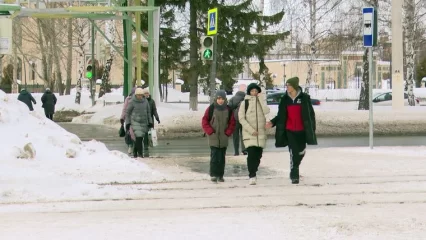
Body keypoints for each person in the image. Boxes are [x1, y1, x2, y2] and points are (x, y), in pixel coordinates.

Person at [266, 77, 317, 184]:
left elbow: (310, 115)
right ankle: (294, 175)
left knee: (301, 152)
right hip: (289, 131)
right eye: (287, 85)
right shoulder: (285, 99)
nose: (287, 87)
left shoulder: (304, 98)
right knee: (293, 152)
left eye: (289, 85)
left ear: (294, 86)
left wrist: (312, 128)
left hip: (302, 130)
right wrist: (272, 122)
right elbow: (281, 115)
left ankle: (295, 165)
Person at [239, 83, 270, 185]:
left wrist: (261, 100)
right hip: (250, 134)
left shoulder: (261, 102)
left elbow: (267, 111)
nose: (254, 93)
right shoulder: (245, 103)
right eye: (252, 91)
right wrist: (251, 130)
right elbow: (241, 118)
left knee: (258, 155)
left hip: (261, 133)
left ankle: (254, 171)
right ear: (249, 92)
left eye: (256, 91)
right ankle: (252, 175)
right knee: (251, 155)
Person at [202, 90, 236, 183]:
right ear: (216, 99)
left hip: (224, 138)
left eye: (222, 99)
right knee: (214, 157)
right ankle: (213, 174)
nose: (220, 100)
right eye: (219, 99)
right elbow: (205, 121)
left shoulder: (228, 110)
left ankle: (220, 175)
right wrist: (210, 131)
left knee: (221, 158)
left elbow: (232, 123)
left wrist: (227, 133)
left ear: (225, 99)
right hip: (213, 137)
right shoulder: (211, 109)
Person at [125, 87, 153, 158]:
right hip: (135, 122)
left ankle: (135, 152)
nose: (140, 96)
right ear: (136, 95)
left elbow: (148, 112)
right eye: (138, 95)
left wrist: (150, 122)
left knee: (140, 138)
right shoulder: (132, 101)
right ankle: (140, 154)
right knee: (139, 137)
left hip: (144, 122)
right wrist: (127, 123)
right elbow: (127, 112)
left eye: (141, 95)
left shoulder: (145, 101)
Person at [228, 85, 246, 156]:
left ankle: (236, 151)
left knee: (235, 136)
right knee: (244, 135)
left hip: (234, 119)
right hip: (244, 119)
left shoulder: (232, 98)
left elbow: (229, 109)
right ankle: (244, 150)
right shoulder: (246, 99)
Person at [143, 88, 160, 157]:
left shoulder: (152, 101)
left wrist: (157, 118)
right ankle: (146, 146)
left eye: (147, 93)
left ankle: (150, 144)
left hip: (150, 121)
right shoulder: (142, 101)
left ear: (149, 94)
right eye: (145, 93)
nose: (146, 94)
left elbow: (154, 110)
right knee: (145, 134)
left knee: (150, 134)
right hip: (144, 120)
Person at [121, 87, 136, 155]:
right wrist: (122, 117)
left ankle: (135, 147)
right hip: (129, 119)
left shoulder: (140, 99)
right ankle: (130, 146)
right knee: (129, 133)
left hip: (137, 118)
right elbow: (124, 109)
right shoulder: (128, 99)